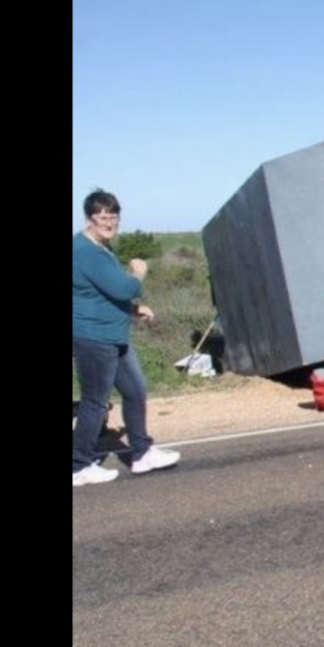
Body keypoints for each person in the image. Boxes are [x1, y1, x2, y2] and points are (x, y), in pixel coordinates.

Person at [72, 189, 180, 486]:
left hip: (113, 334)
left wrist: (132, 310)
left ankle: (141, 453)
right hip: (94, 337)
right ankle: (78, 465)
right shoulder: (86, 251)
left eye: (114, 216)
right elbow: (123, 288)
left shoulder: (100, 248)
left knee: (135, 391)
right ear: (89, 219)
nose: (109, 222)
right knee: (96, 402)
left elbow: (100, 292)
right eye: (103, 217)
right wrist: (138, 273)